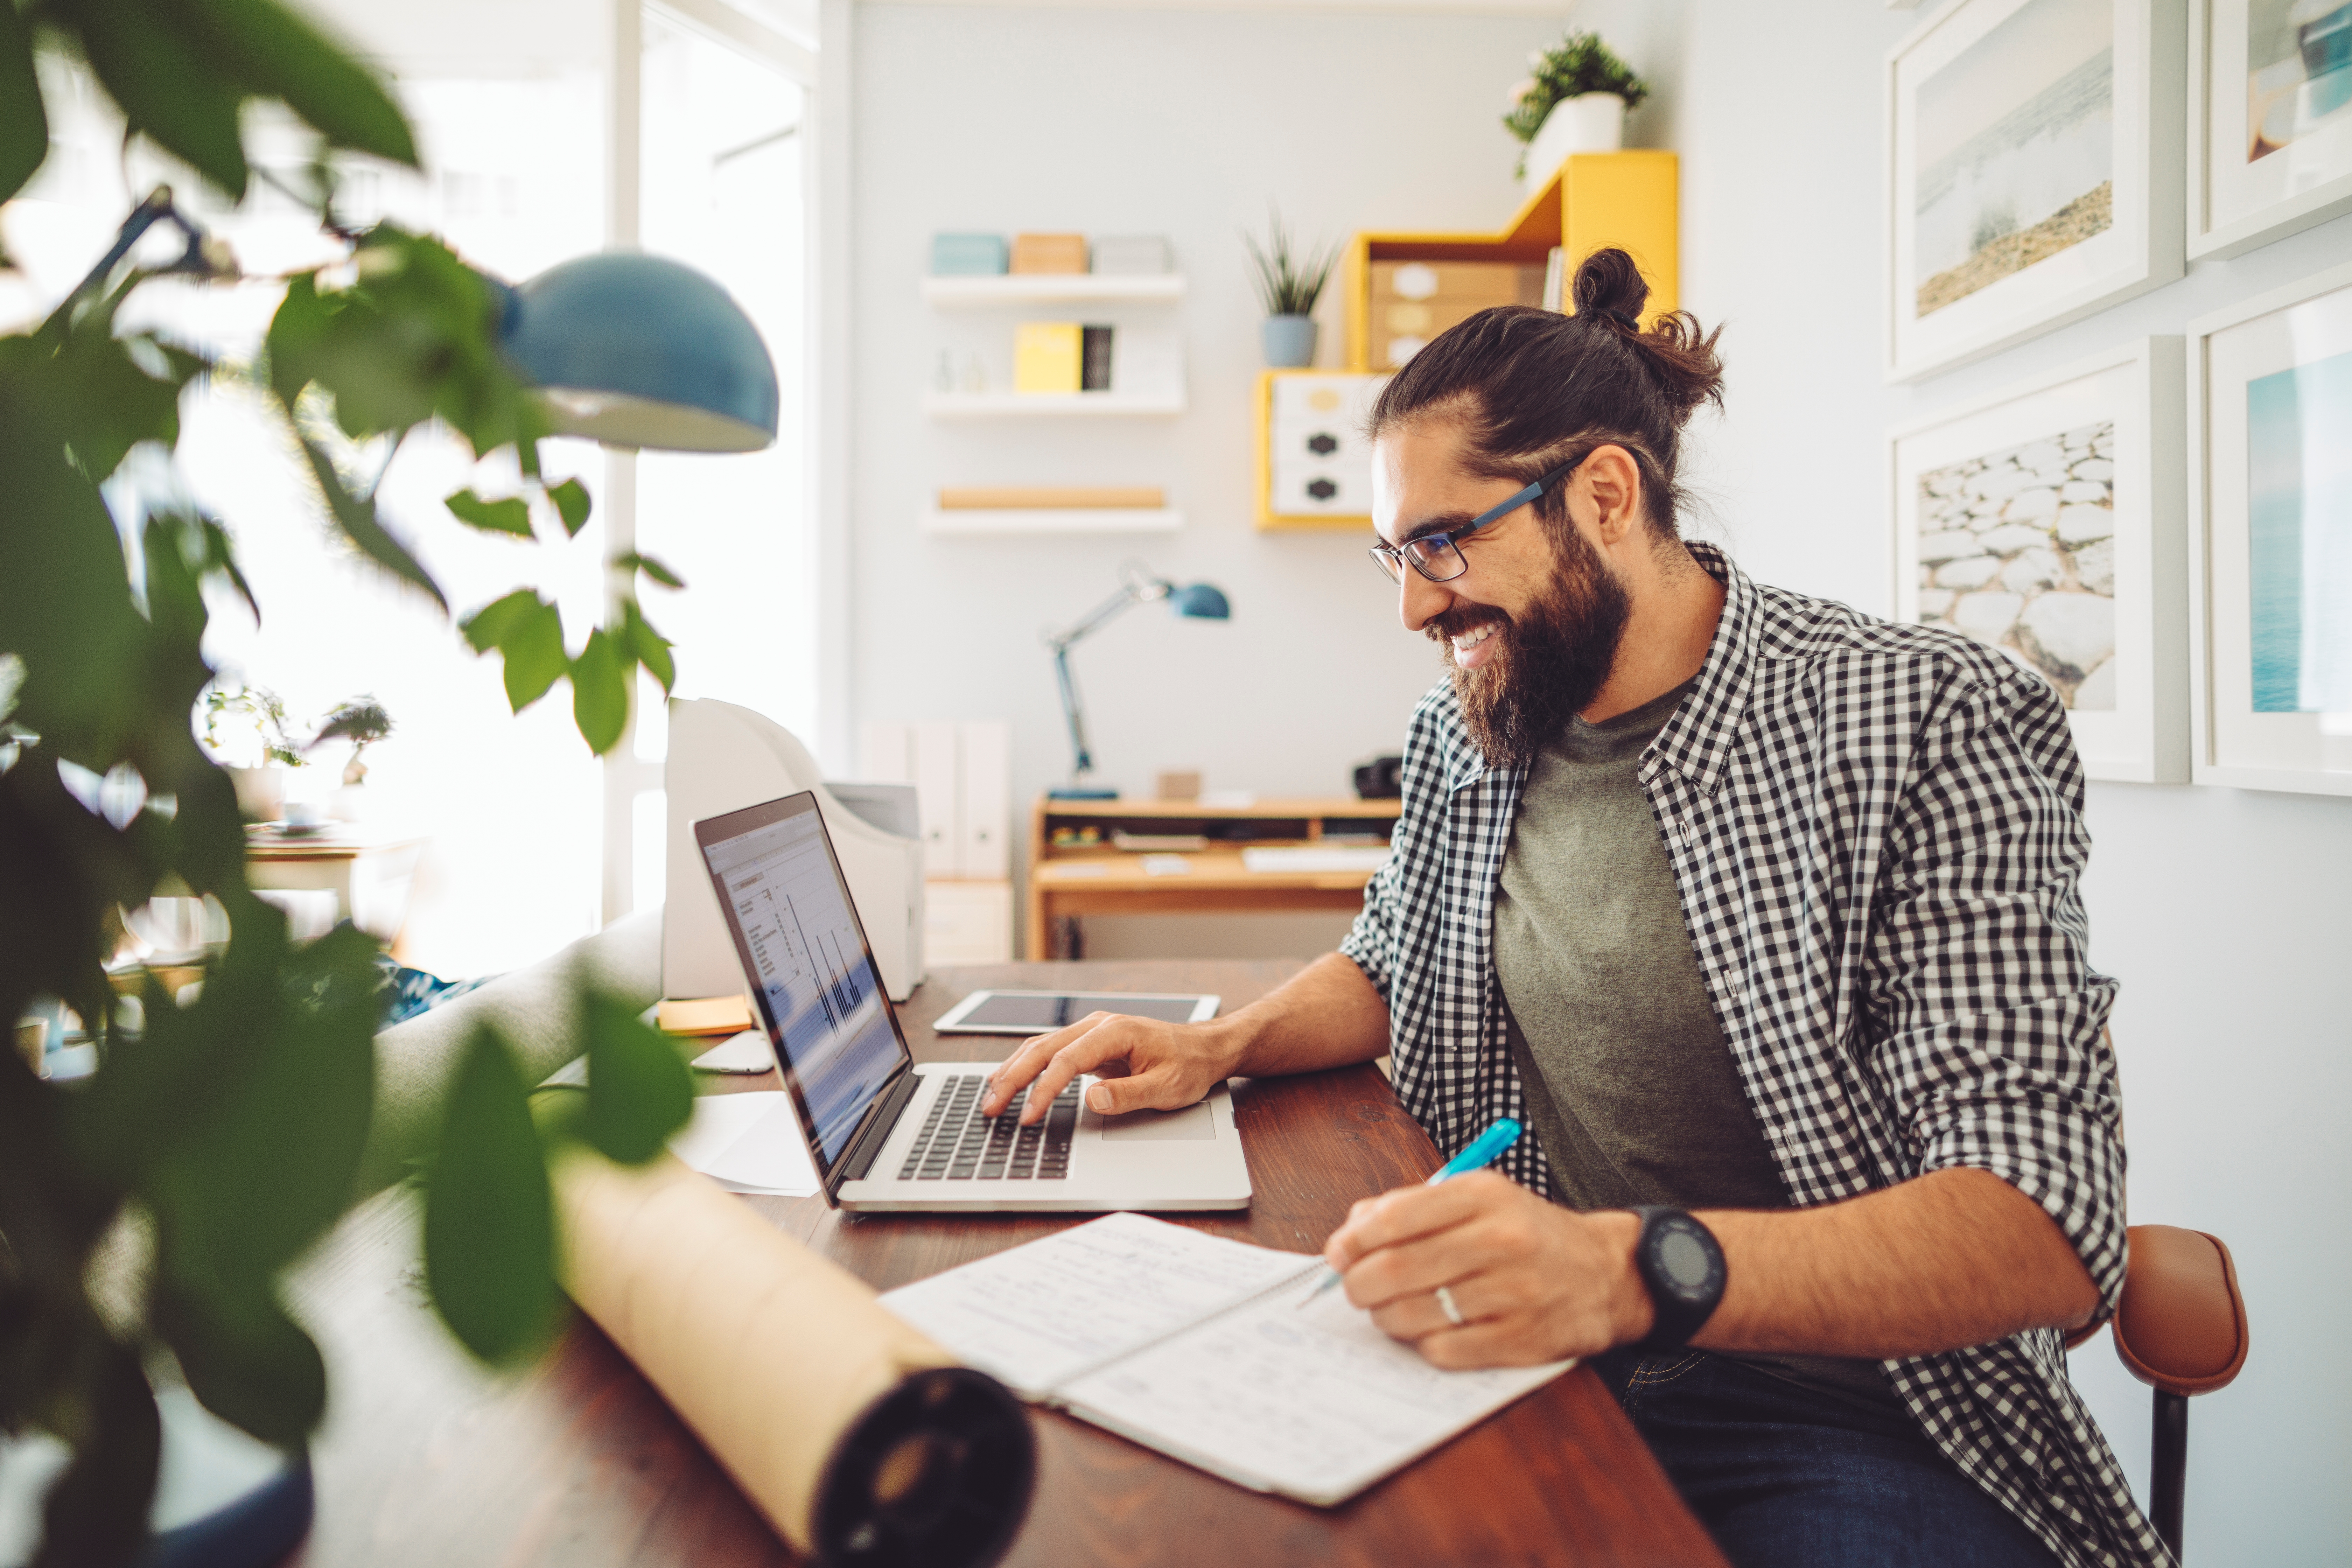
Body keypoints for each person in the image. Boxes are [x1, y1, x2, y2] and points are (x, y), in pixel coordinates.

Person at [980, 248, 2161, 1568]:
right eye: (1396, 556)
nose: (1419, 604)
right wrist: (1221, 1044)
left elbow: (2043, 1220)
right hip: (1534, 1365)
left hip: (1845, 1412)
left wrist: (1619, 1273)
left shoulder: (1927, 716)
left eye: (1444, 543)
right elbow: (1396, 956)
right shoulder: (1482, 725)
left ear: (1604, 494)